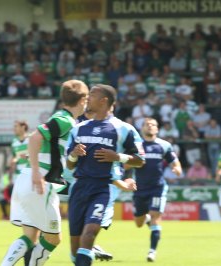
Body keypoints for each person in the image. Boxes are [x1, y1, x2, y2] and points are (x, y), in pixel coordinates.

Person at [0, 80, 89, 266]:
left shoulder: (61, 118)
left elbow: (43, 142)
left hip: (26, 180)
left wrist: (71, 153)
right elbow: (35, 137)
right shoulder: (64, 120)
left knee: (30, 237)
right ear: (82, 100)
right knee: (53, 238)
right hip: (41, 182)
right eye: (87, 99)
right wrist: (36, 172)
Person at [66, 84, 145, 266]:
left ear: (104, 101)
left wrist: (118, 156)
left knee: (89, 234)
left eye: (92, 94)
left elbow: (140, 160)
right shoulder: (79, 128)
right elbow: (70, 165)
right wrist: (73, 154)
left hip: (102, 188)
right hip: (79, 188)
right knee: (75, 251)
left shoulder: (123, 129)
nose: (87, 98)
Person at [132, 117, 182, 262]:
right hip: (140, 188)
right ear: (142, 128)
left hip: (157, 187)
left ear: (157, 129)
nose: (150, 127)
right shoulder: (137, 146)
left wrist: (177, 168)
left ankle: (152, 251)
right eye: (147, 125)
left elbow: (174, 160)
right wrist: (131, 165)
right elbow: (126, 164)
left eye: (153, 125)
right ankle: (146, 218)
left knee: (155, 215)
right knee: (139, 223)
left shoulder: (164, 145)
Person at [10, 120, 29, 184]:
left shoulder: (31, 139)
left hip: (29, 173)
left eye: (16, 126)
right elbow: (14, 157)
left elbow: (38, 156)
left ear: (23, 127)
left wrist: (28, 156)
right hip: (17, 175)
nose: (14, 129)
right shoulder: (14, 142)